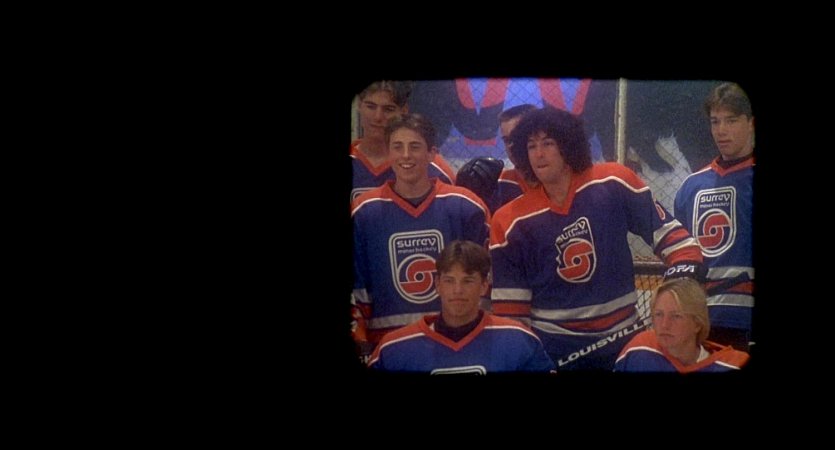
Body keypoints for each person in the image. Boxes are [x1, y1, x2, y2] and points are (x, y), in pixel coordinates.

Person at [489, 107, 705, 371]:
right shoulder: (508, 221)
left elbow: (678, 243)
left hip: (624, 341)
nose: (538, 154)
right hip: (554, 350)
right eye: (531, 146)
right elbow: (512, 316)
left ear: (567, 145)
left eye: (547, 143)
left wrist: (683, 273)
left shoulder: (613, 181)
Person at [351, 114, 491, 358]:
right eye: (397, 147)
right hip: (388, 345)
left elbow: (487, 280)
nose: (405, 155)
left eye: (414, 147)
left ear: (431, 153)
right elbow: (357, 286)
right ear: (389, 152)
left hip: (458, 339)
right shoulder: (364, 212)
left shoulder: (465, 206)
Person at [368, 240, 555, 373]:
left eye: (468, 281)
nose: (457, 290)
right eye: (449, 280)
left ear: (484, 286)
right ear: (437, 284)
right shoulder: (394, 350)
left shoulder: (518, 341)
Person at [673, 82, 754, 352]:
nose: (721, 130)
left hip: (745, 318)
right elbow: (681, 254)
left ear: (750, 123)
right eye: (715, 121)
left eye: (731, 120)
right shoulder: (690, 187)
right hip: (700, 318)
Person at [351, 81, 456, 203]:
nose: (377, 117)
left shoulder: (432, 165)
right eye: (370, 106)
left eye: (388, 109)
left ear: (404, 110)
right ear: (359, 105)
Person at [613, 278, 749, 372]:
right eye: (659, 314)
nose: (664, 325)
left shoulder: (733, 364)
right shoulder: (639, 349)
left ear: (697, 324)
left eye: (676, 316)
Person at [455, 104, 538, 214]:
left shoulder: (557, 179)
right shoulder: (497, 184)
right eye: (507, 140)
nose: (511, 145)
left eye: (517, 137)